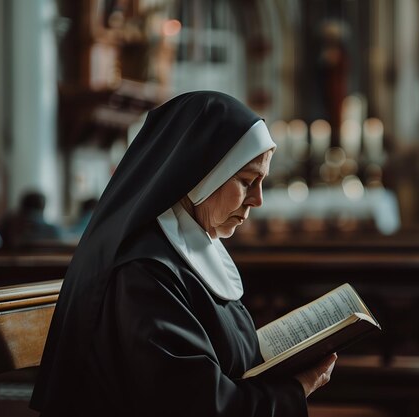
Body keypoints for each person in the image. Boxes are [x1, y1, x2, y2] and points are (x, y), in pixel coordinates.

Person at [30, 91, 337, 417]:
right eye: (248, 181)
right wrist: (294, 390)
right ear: (204, 175)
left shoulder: (184, 247)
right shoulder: (144, 273)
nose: (258, 200)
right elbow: (194, 405)